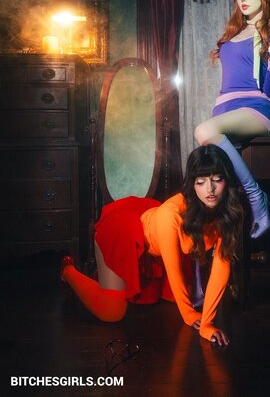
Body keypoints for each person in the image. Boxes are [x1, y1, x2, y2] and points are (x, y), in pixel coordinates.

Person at [61, 145, 245, 346]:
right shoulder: (170, 215)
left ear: (227, 180)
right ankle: (68, 271)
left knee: (178, 296)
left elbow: (221, 265)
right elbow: (174, 270)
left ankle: (107, 276)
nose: (210, 189)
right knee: (112, 311)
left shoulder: (231, 211)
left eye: (217, 179)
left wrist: (207, 324)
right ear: (192, 184)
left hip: (152, 230)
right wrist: (189, 314)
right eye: (200, 182)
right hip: (125, 230)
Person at [195, 0, 270, 238]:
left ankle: (257, 198)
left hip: (255, 109)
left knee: (203, 131)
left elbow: (268, 92)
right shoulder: (234, 32)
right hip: (224, 110)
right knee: (209, 180)